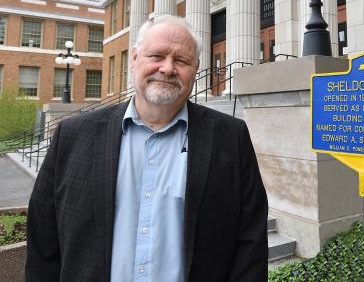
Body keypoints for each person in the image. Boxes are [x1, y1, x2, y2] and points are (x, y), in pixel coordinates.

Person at [26, 15, 269, 282]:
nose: (167, 68)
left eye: (181, 60)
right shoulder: (73, 136)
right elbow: (43, 241)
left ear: (196, 68)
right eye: (157, 56)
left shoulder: (231, 137)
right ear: (134, 59)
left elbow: (250, 240)